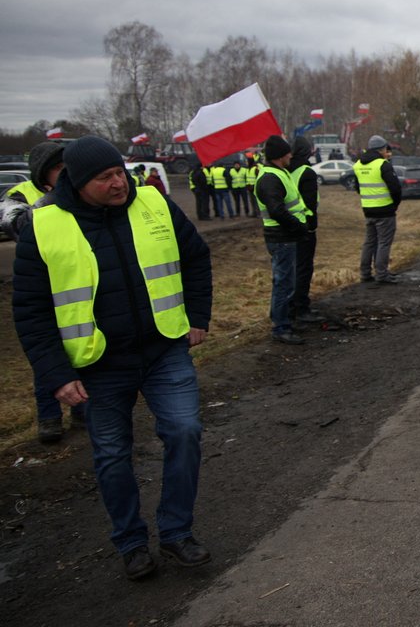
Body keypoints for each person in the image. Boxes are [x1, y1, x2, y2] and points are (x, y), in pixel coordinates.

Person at [13, 135, 213, 580]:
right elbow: (30, 311)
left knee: (185, 431)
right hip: (99, 365)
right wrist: (55, 375)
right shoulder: (43, 226)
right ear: (78, 182)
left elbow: (196, 257)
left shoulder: (155, 205)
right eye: (105, 178)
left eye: (120, 172)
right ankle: (131, 543)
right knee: (110, 454)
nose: (119, 183)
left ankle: (177, 532)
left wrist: (198, 315)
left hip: (164, 349)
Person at [2, 141, 89, 444]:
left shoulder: (85, 190)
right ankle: (49, 417)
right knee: (48, 355)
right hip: (43, 285)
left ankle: (81, 409)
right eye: (58, 168)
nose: (66, 173)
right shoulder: (22, 195)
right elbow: (13, 221)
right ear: (43, 174)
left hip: (78, 284)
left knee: (82, 347)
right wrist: (53, 204)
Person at [254, 135, 310, 345]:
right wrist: (298, 225)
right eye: (287, 152)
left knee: (285, 281)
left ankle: (281, 319)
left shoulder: (279, 173)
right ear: (279, 156)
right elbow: (277, 210)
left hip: (286, 237)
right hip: (281, 238)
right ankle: (281, 327)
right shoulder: (270, 178)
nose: (291, 155)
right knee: (284, 283)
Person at [355, 135, 402, 284]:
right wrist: (394, 205)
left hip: (368, 209)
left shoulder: (358, 165)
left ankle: (365, 273)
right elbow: (395, 188)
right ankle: (382, 274)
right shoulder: (383, 164)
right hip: (385, 210)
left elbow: (357, 187)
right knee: (384, 243)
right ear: (382, 149)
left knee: (369, 242)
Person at [287, 136, 325, 324]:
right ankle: (301, 307)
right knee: (304, 268)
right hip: (305, 228)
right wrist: (311, 226)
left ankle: (292, 305)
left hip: (288, 227)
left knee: (292, 269)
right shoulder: (306, 172)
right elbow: (310, 204)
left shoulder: (286, 170)